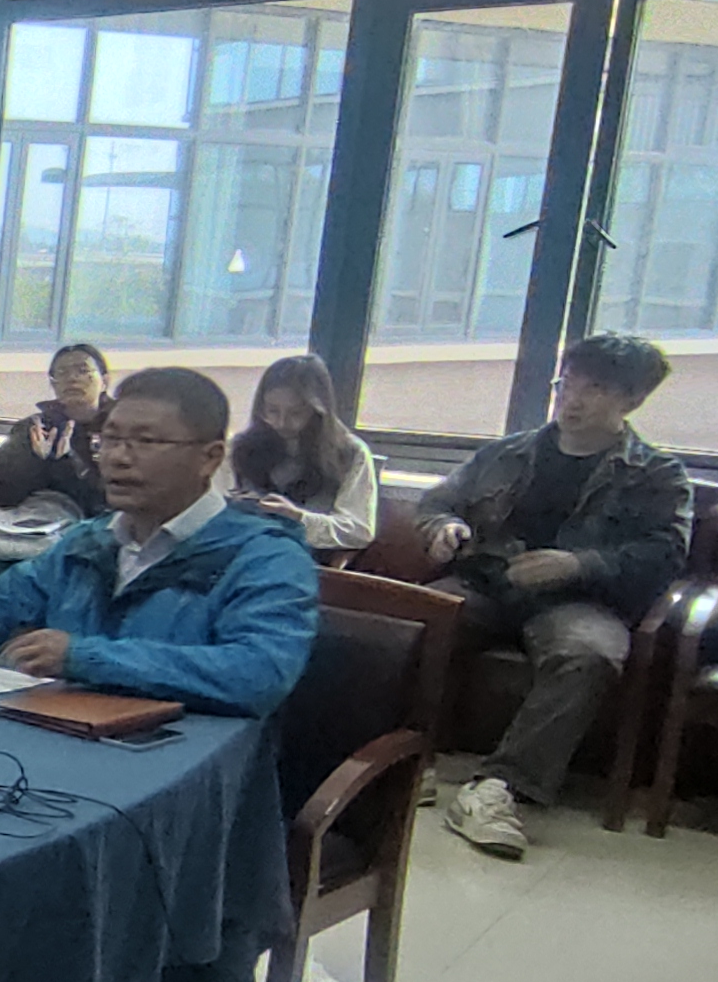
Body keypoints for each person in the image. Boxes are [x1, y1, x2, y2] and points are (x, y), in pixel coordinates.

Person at [0, 367, 318, 720]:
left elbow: (258, 674)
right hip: (63, 732)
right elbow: (9, 598)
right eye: (110, 440)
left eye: (145, 441)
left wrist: (85, 658)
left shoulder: (266, 556)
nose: (118, 457)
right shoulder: (89, 539)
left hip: (189, 763)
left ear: (209, 457)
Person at [419, 334, 693, 859]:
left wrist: (578, 564)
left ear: (631, 400)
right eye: (567, 384)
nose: (573, 399)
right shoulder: (507, 453)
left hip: (580, 601)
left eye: (594, 389)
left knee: (588, 655)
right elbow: (438, 503)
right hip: (488, 582)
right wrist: (443, 527)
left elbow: (664, 555)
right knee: (416, 618)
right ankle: (410, 757)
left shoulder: (657, 474)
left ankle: (498, 789)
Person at [0, 341, 111, 559]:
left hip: (94, 535)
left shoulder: (121, 429)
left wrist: (70, 463)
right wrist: (33, 461)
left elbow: (107, 501)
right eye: (62, 372)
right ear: (53, 383)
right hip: (28, 530)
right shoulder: (33, 428)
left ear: (104, 381)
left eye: (82, 370)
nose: (72, 378)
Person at [228, 353, 377, 558]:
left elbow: (359, 531)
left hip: (309, 562)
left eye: (296, 413)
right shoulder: (239, 447)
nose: (281, 423)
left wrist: (299, 518)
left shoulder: (350, 453)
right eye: (272, 411)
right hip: (242, 556)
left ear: (319, 410)